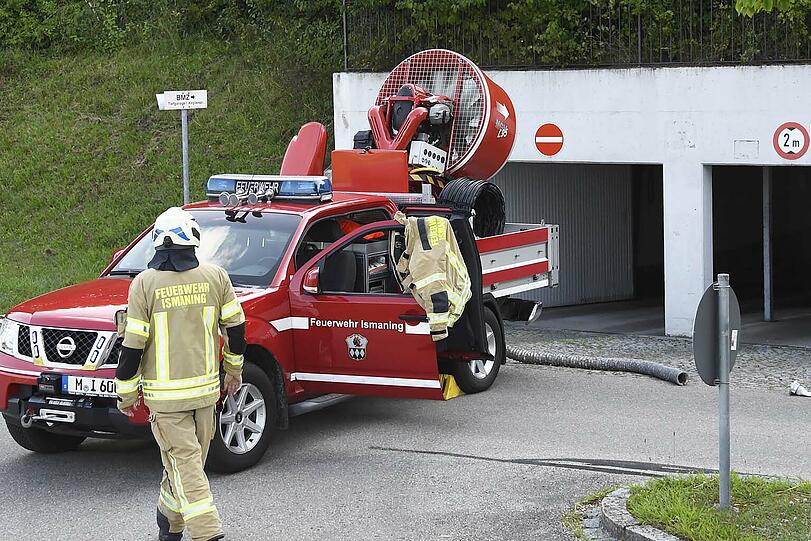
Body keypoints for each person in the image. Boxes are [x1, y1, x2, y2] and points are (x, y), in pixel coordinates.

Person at [115, 207, 246, 541]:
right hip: (204, 395)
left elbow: (133, 344)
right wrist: (233, 370)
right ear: (194, 240)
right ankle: (207, 532)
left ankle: (168, 520)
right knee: (188, 464)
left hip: (170, 400)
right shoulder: (216, 277)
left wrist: (126, 393)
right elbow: (236, 328)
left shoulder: (144, 284)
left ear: (159, 242)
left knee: (185, 465)